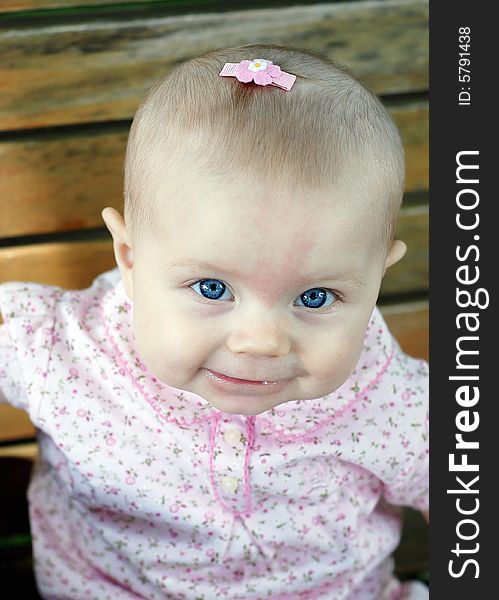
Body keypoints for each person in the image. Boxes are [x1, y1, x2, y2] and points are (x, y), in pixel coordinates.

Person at [0, 44, 428, 599]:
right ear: (129, 258)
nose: (262, 341)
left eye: (317, 297)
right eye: (212, 289)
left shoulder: (387, 398)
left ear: (377, 277)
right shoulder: (62, 348)